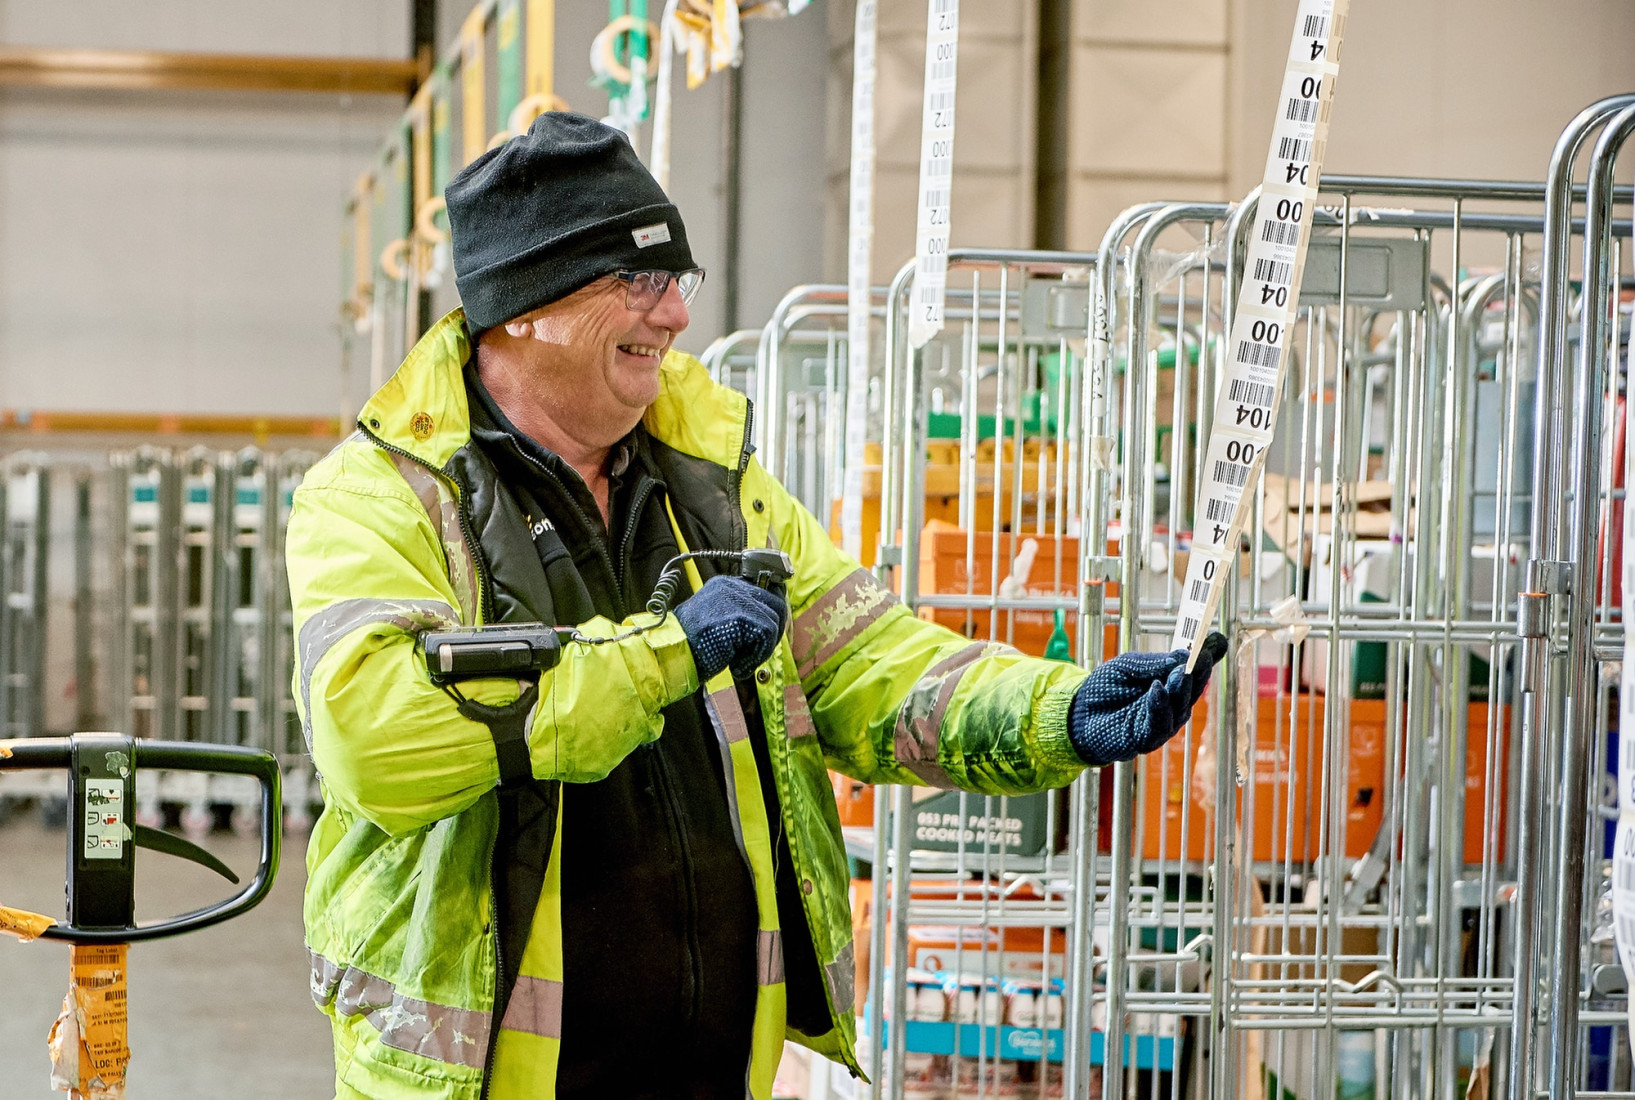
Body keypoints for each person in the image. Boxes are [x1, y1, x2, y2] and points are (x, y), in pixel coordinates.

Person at [287, 112, 1227, 1100]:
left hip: (714, 1067)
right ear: (529, 303)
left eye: (674, 281)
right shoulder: (382, 494)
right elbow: (374, 735)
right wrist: (663, 654)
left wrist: (1063, 712)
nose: (675, 317)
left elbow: (866, 660)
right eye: (639, 283)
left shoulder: (709, 482)